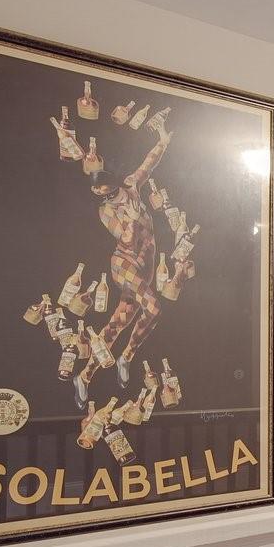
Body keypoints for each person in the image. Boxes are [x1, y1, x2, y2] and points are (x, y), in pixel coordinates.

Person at [77, 122, 172, 399]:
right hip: (124, 263)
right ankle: (127, 356)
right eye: (100, 193)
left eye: (107, 190)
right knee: (153, 308)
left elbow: (148, 163)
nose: (105, 196)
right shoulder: (106, 212)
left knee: (118, 323)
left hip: (146, 264)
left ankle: (84, 376)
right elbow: (125, 238)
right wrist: (129, 219)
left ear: (114, 183)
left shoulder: (131, 186)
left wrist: (163, 141)